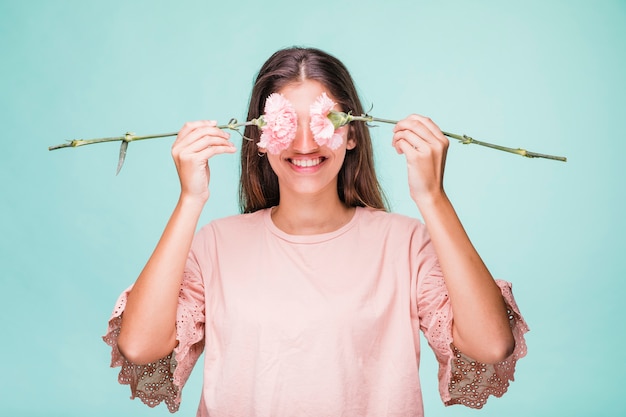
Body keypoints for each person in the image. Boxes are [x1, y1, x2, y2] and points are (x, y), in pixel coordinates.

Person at [103, 47, 528, 417]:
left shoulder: (406, 245)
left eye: (324, 119)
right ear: (259, 138)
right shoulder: (215, 245)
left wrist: (433, 197)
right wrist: (189, 200)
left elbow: (491, 346)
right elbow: (139, 347)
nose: (305, 143)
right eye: (287, 122)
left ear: (353, 133)